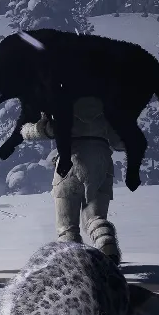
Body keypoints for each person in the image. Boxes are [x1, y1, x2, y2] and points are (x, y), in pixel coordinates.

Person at [20, 96, 124, 265]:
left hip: (69, 162)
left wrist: (27, 130)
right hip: (101, 162)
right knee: (95, 217)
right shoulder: (106, 105)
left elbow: (50, 129)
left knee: (67, 226)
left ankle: (72, 261)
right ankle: (107, 245)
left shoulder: (63, 101)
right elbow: (120, 142)